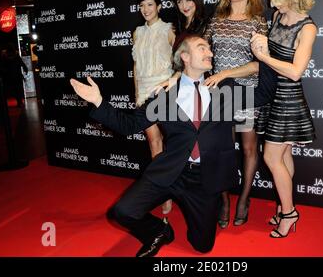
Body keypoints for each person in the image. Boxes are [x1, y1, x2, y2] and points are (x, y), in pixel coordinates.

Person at [70, 34, 276, 256]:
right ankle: (160, 230)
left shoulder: (225, 89)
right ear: (185, 56)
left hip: (205, 178)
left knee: (202, 246)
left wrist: (264, 57)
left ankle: (205, 213)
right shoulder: (165, 96)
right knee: (122, 211)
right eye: (202, 48)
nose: (210, 53)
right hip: (171, 171)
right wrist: (99, 102)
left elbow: (264, 94)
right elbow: (128, 125)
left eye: (209, 49)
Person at [250, 0, 317, 238]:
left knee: (271, 156)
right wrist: (262, 45)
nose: (272, 5)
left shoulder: (308, 27)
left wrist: (264, 57)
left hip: (288, 97)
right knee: (284, 154)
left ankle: (289, 214)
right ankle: (284, 206)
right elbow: (271, 53)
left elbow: (295, 71)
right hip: (271, 93)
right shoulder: (277, 16)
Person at [203, 0, 268, 228]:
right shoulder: (216, 21)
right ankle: (225, 200)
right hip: (220, 95)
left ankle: (244, 198)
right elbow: (202, 52)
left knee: (249, 148)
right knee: (222, 150)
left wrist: (228, 72)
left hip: (246, 92)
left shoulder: (258, 21)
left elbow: (260, 64)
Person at [132, 0, 176, 215]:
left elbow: (179, 62)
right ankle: (163, 193)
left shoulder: (169, 30)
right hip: (144, 92)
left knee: (173, 144)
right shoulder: (137, 32)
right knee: (154, 143)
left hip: (165, 90)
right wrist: (137, 95)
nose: (146, 9)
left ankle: (177, 187)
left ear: (158, 6)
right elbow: (136, 66)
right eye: (142, 6)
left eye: (150, 5)